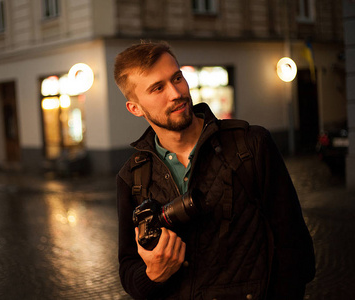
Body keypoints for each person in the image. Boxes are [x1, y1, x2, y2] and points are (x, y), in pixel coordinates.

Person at [114, 41, 315, 300]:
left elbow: (295, 248)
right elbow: (128, 270)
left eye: (177, 78)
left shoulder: (250, 145)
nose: (176, 93)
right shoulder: (132, 177)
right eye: (157, 88)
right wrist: (153, 274)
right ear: (135, 108)